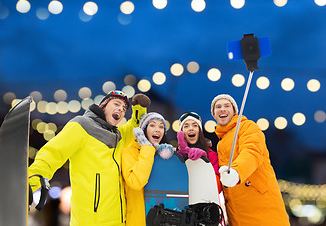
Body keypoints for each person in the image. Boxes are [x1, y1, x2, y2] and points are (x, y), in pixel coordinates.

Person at [28, 90, 151, 226]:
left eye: (124, 108)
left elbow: (135, 126)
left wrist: (139, 108)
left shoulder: (118, 135)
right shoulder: (81, 125)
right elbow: (53, 153)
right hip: (90, 220)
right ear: (104, 105)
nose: (121, 110)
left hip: (118, 221)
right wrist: (31, 180)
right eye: (116, 104)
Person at [211, 94, 290, 226]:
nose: (222, 109)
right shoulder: (221, 141)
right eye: (218, 107)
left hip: (260, 207)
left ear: (235, 111)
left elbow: (252, 152)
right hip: (239, 214)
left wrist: (236, 171)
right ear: (214, 114)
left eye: (226, 106)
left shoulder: (247, 127)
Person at [121, 112, 174, 226]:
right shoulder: (129, 151)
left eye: (161, 127)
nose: (157, 130)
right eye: (152, 125)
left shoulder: (160, 154)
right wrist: (147, 148)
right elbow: (135, 182)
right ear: (143, 130)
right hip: (137, 220)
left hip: (161, 219)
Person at [177, 111, 222, 193]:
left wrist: (204, 162)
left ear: (199, 131)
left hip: (205, 202)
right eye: (186, 126)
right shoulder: (176, 156)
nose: (191, 128)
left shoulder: (211, 155)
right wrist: (183, 152)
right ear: (181, 132)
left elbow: (217, 187)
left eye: (195, 125)